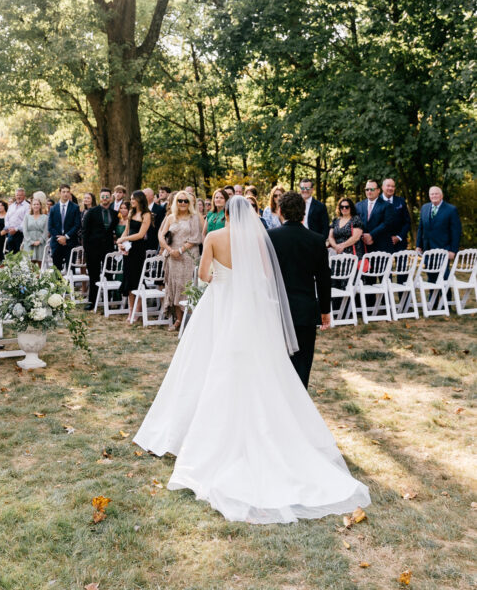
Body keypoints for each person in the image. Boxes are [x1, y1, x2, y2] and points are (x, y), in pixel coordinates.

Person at [134, 195, 370, 523]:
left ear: (226, 214)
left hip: (220, 305)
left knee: (204, 363)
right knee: (255, 366)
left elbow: (204, 277)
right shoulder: (259, 240)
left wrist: (221, 277)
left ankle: (192, 427)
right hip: (249, 310)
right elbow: (264, 277)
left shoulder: (214, 237)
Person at [268, 191, 332, 390]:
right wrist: (325, 311)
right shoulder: (316, 239)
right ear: (303, 212)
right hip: (305, 310)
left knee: (277, 361)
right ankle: (300, 403)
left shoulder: (270, 237)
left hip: (276, 308)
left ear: (280, 211)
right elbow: (323, 278)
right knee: (303, 363)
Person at [158, 191, 201, 331]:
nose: (183, 203)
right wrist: (170, 251)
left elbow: (195, 238)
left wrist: (180, 251)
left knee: (187, 287)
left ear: (190, 203)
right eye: (180, 201)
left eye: (186, 201)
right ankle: (178, 320)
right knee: (175, 286)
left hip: (188, 255)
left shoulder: (194, 218)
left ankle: (190, 321)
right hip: (172, 256)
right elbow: (161, 235)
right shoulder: (171, 217)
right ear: (176, 202)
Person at [116, 190, 152, 319]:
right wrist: (120, 242)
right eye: (131, 199)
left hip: (138, 250)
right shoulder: (131, 212)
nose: (131, 201)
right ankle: (131, 309)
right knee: (129, 279)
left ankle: (138, 308)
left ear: (140, 199)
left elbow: (141, 234)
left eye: (133, 199)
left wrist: (125, 239)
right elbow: (126, 230)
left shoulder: (146, 214)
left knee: (137, 279)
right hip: (128, 249)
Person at [82, 189, 118, 309]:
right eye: (102, 197)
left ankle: (108, 300)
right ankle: (92, 301)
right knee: (94, 275)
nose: (104, 199)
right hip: (93, 249)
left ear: (110, 199)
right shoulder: (92, 212)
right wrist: (86, 249)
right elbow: (85, 232)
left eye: (107, 197)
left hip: (108, 249)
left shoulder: (114, 213)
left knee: (108, 274)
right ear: (99, 198)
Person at [416, 186, 462, 265]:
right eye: (432, 194)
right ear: (429, 196)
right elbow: (421, 228)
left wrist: (453, 250)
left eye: (436, 194)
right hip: (427, 249)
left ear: (441, 195)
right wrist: (418, 246)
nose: (434, 196)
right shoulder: (424, 208)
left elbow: (456, 232)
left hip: (444, 250)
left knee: (443, 276)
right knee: (430, 276)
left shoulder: (451, 209)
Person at [355, 179, 395, 254]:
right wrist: (363, 236)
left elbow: (387, 224)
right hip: (363, 247)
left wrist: (371, 235)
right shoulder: (358, 205)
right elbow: (355, 224)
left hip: (381, 248)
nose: (369, 191)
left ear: (378, 190)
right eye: (367, 189)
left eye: (372, 189)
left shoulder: (387, 205)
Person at [48, 185, 81, 271]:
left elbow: (77, 225)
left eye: (67, 192)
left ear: (70, 193)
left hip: (70, 242)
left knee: (71, 269)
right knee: (57, 270)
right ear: (60, 193)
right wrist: (59, 238)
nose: (66, 194)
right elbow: (50, 227)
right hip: (56, 242)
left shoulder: (75, 207)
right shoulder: (53, 208)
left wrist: (66, 237)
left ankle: (70, 284)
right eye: (63, 192)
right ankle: (57, 285)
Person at [380, 178, 412, 249]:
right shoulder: (377, 202)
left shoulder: (401, 201)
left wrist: (398, 237)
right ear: (382, 187)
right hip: (381, 243)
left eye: (393, 186)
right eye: (388, 186)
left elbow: (407, 222)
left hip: (400, 243)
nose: (390, 188)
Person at [22, 195, 49, 265]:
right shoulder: (27, 217)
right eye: (34, 204)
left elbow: (46, 231)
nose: (36, 206)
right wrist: (31, 241)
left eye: (37, 204)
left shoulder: (45, 217)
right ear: (31, 206)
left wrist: (40, 241)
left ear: (40, 206)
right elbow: (25, 230)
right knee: (30, 263)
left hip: (40, 243)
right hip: (29, 243)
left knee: (40, 262)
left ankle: (40, 276)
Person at [4, 188, 30, 254]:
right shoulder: (11, 206)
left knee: (19, 254)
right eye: (17, 195)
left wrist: (16, 229)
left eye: (20, 195)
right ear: (15, 196)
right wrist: (8, 227)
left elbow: (26, 220)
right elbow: (6, 218)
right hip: (10, 233)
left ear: (24, 196)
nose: (18, 197)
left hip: (20, 234)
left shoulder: (27, 206)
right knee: (10, 254)